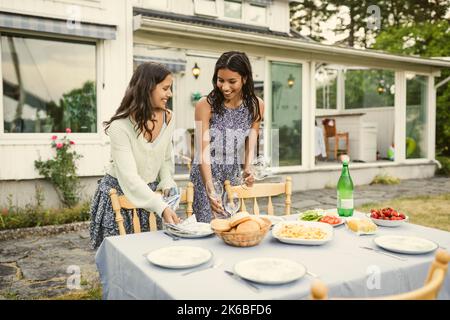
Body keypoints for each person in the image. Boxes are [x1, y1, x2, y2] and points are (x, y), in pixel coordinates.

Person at [89, 62, 180, 249]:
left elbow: (164, 157)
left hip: (150, 197)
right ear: (147, 89)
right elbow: (129, 179)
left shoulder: (168, 117)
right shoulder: (120, 127)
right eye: (165, 88)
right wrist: (161, 207)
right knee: (123, 261)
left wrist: (167, 180)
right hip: (119, 196)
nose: (169, 94)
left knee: (152, 255)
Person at [189, 51, 265, 222]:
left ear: (244, 79)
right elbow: (203, 151)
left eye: (232, 81)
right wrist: (209, 188)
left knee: (232, 224)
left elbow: (250, 144)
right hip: (207, 172)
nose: (224, 87)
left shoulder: (256, 105)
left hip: (232, 171)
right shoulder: (205, 105)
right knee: (208, 226)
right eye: (220, 80)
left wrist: (248, 169)